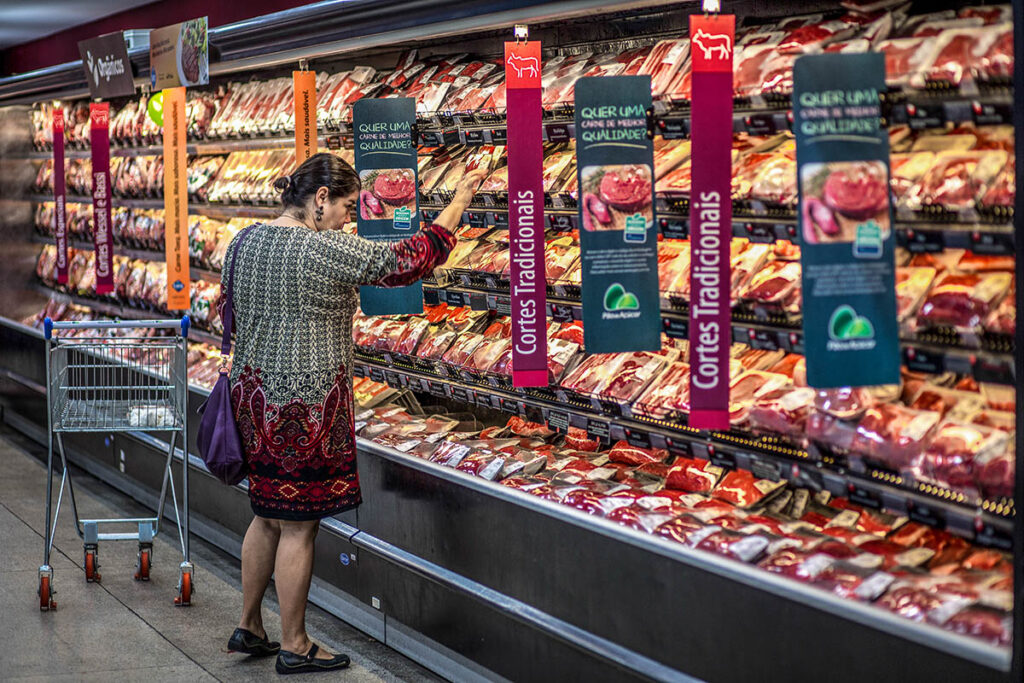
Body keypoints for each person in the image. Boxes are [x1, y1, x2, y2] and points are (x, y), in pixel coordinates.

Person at [222, 152, 484, 674]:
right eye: (344, 206)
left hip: (252, 402)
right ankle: (295, 644)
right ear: (319, 199)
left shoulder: (242, 242)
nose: (348, 217)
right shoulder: (324, 248)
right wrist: (458, 204)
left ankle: (250, 625)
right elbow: (406, 260)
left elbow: (227, 312)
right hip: (305, 407)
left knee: (267, 515)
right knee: (300, 526)